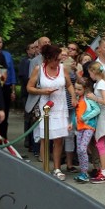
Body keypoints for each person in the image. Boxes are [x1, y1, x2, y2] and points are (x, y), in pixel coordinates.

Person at [26, 44, 76, 179]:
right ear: (48, 58)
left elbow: (69, 84)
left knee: (59, 139)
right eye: (55, 59)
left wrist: (73, 96)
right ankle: (45, 168)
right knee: (45, 138)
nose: (57, 62)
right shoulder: (39, 69)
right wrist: (42, 91)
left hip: (60, 106)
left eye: (59, 59)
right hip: (46, 106)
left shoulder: (62, 68)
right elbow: (29, 87)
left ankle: (57, 168)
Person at [86, 61, 105, 183]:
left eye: (90, 73)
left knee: (100, 143)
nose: (90, 76)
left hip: (103, 115)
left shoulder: (101, 84)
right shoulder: (101, 82)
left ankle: (104, 172)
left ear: (93, 72)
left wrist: (94, 98)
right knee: (99, 143)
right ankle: (103, 170)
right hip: (102, 115)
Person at [71, 77, 100, 183]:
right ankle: (83, 172)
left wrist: (86, 117)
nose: (76, 91)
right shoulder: (78, 99)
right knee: (79, 150)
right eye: (75, 89)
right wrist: (72, 123)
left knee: (82, 148)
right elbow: (76, 113)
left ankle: (85, 173)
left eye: (79, 89)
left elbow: (96, 109)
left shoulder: (88, 98)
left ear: (85, 89)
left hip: (88, 127)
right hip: (79, 127)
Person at [0, 35, 17, 139]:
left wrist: (13, 90)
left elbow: (11, 72)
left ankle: (4, 139)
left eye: (0, 42)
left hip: (6, 87)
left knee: (5, 114)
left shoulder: (7, 55)